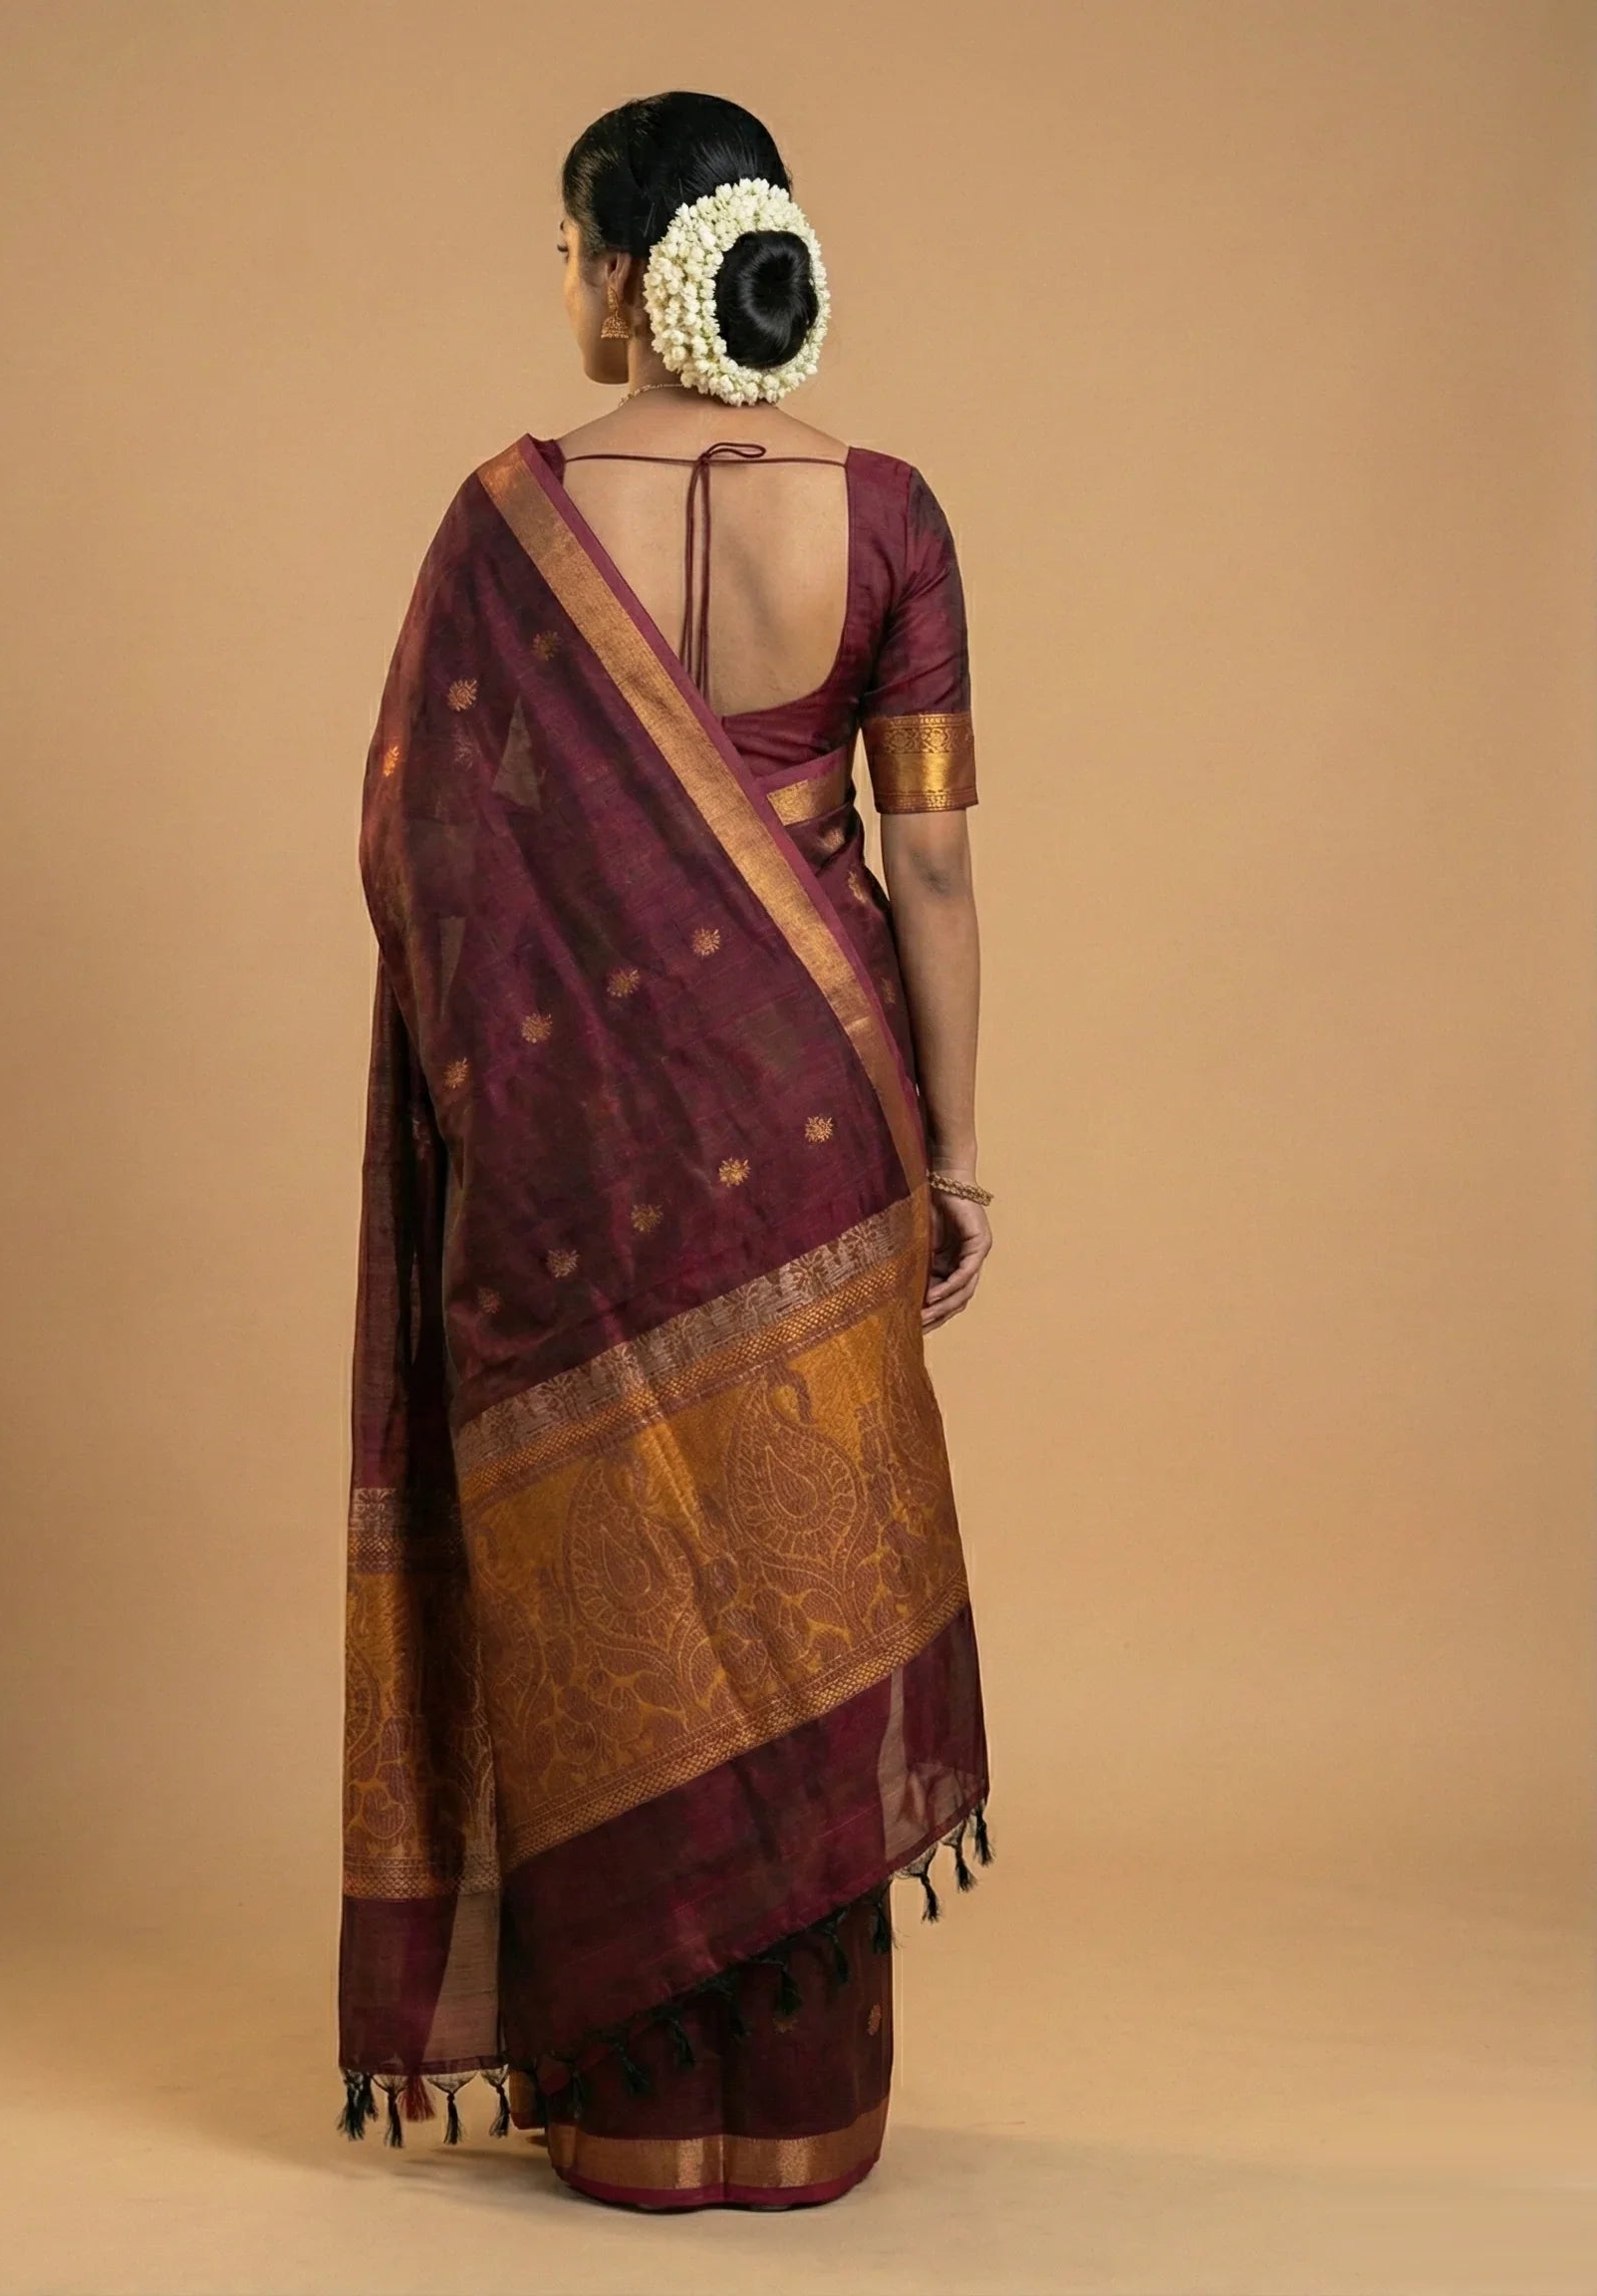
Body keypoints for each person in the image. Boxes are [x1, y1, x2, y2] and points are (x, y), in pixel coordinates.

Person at [337, 90, 995, 2211]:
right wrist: (961, 1161)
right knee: (803, 1567)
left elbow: (422, 848)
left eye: (560, 247)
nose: (558, 285)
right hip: (823, 1124)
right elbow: (941, 874)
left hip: (571, 1162)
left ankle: (634, 2115)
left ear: (626, 270)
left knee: (616, 1580)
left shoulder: (504, 522)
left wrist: (499, 1106)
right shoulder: (886, 512)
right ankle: (798, 2114)